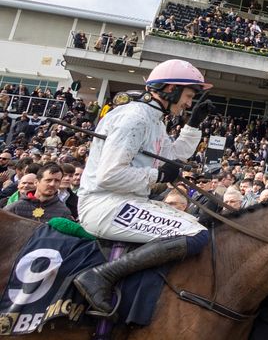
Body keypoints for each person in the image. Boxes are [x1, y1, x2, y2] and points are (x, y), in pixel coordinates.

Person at [72, 59, 215, 316]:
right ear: (171, 88)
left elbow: (173, 156)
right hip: (104, 204)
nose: (189, 103)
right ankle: (100, 277)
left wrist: (193, 125)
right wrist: (158, 174)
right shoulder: (135, 118)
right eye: (189, 96)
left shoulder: (155, 120)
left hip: (126, 201)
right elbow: (109, 175)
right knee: (196, 235)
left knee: (199, 227)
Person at [5, 162, 72, 222]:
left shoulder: (63, 212)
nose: (52, 184)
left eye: (57, 181)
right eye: (48, 180)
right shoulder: (16, 207)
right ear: (36, 182)